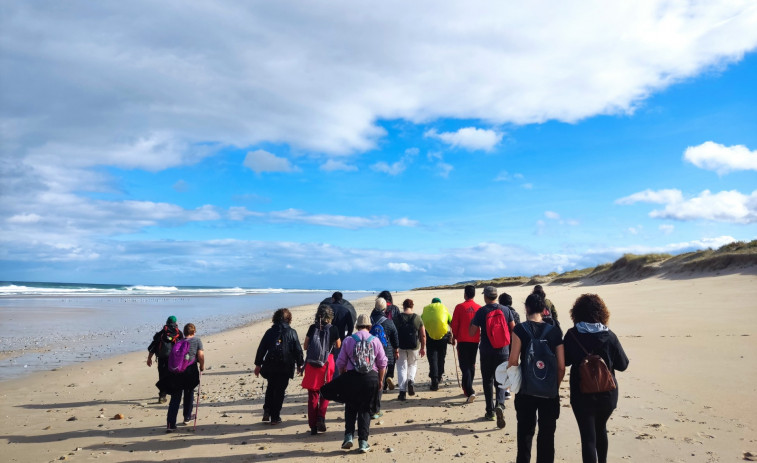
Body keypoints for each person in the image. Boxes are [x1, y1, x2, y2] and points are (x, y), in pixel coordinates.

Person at [563, 294, 629, 463]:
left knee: (588, 438)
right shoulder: (610, 336)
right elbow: (623, 365)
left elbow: (566, 361)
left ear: (576, 313)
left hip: (582, 394)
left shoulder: (572, 335)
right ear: (602, 312)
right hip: (607, 394)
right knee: (601, 430)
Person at [507, 293, 565, 463]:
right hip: (549, 392)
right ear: (544, 310)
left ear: (527, 308)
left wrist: (514, 384)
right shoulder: (555, 331)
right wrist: (554, 386)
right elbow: (561, 366)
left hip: (526, 391)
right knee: (547, 436)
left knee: (525, 434)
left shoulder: (519, 329)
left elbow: (513, 361)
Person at [335, 314, 388, 453]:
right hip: (370, 378)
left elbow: (340, 363)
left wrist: (343, 377)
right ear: (369, 326)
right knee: (365, 410)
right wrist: (380, 380)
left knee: (351, 407)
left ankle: (348, 436)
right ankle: (363, 442)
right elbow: (382, 363)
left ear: (357, 326)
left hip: (352, 377)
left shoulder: (348, 340)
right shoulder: (375, 341)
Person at [469, 285, 515, 428]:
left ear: (485, 297)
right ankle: (500, 404)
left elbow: (472, 332)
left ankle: (490, 412)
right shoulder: (506, 310)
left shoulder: (481, 311)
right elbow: (514, 328)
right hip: (503, 351)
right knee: (501, 380)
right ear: (496, 296)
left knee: (487, 380)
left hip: (486, 351)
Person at [254, 308, 305, 425]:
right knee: (280, 390)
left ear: (275, 319)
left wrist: (258, 364)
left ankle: (267, 410)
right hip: (285, 366)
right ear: (289, 319)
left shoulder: (269, 332)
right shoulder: (292, 332)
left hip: (271, 365)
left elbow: (261, 349)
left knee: (271, 387)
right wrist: (300, 364)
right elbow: (298, 350)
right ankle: (275, 417)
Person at [301, 304, 342, 435]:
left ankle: (313, 426)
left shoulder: (312, 328)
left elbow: (306, 346)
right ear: (330, 316)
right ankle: (321, 417)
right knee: (325, 393)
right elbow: (338, 345)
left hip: (312, 363)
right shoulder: (334, 329)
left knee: (312, 396)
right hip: (327, 363)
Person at [159, 323, 204, 432]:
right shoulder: (197, 341)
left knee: (175, 398)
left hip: (177, 373)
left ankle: (171, 423)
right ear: (194, 332)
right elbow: (200, 355)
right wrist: (202, 366)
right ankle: (187, 417)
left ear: (184, 332)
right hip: (190, 370)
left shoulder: (178, 342)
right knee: (189, 393)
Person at [370, 297, 399, 417]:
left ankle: (369, 406)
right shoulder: (388, 322)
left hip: (369, 352)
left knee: (370, 380)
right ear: (385, 308)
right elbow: (395, 337)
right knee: (379, 381)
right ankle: (376, 409)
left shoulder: (369, 320)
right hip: (384, 353)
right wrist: (396, 350)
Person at [451, 285, 481, 402]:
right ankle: (467, 388)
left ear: (465, 294)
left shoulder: (459, 307)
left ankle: (469, 390)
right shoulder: (479, 308)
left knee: (465, 366)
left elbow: (454, 324)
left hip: (463, 340)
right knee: (471, 364)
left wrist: (454, 336)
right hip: (474, 340)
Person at [394, 298, 426, 401]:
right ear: (412, 306)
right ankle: (411, 380)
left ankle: (402, 392)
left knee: (401, 367)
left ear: (403, 306)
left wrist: (394, 348)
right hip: (414, 346)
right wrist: (422, 348)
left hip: (401, 345)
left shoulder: (397, 318)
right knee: (412, 364)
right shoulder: (417, 318)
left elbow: (393, 333)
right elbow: (423, 335)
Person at [147, 315, 184, 403]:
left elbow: (153, 347)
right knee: (174, 376)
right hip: (174, 359)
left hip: (162, 358)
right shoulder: (179, 333)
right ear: (176, 323)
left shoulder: (161, 333)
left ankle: (162, 396)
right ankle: (175, 394)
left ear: (167, 322)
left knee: (162, 376)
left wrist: (149, 358)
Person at [421, 297, 453, 391]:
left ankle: (434, 380)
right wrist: (453, 336)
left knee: (432, 358)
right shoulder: (444, 308)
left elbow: (421, 323)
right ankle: (439, 376)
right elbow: (451, 323)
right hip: (443, 337)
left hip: (429, 337)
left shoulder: (426, 309)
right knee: (441, 357)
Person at [499, 292, 521, 400]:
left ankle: (506, 390)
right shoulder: (515, 314)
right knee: (512, 365)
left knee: (504, 366)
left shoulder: (500, 312)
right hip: (514, 342)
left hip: (502, 342)